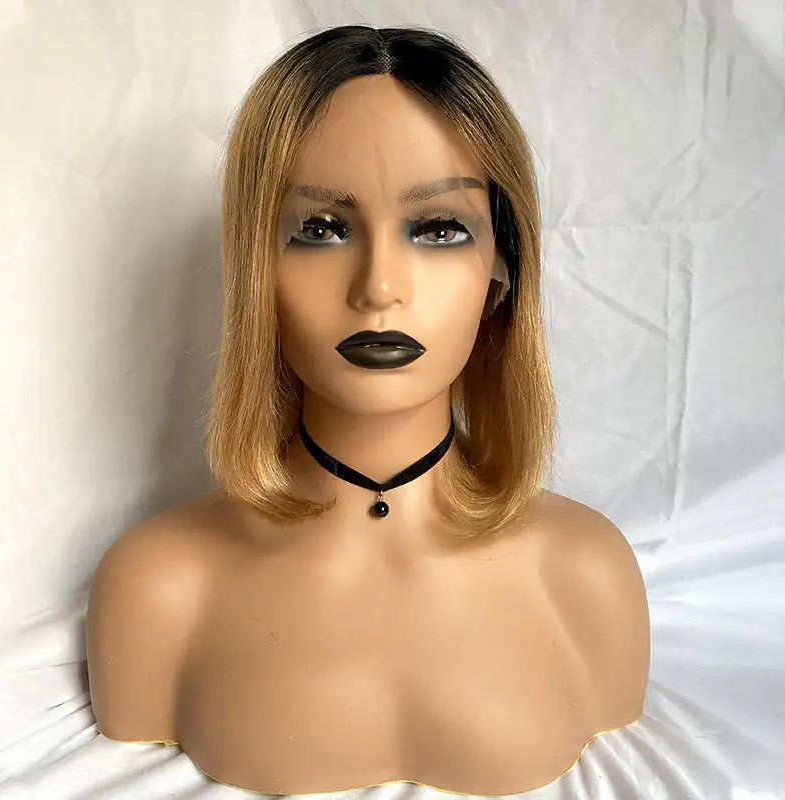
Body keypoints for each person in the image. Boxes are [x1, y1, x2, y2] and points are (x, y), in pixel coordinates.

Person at [86, 24, 650, 796]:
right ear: (255, 266)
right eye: (320, 230)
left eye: (438, 229)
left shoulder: (586, 574)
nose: (379, 287)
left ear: (501, 272)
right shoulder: (155, 589)